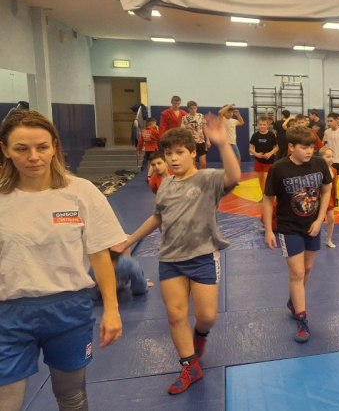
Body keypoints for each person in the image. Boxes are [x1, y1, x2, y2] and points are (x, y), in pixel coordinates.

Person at [0, 110, 126, 411]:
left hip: (69, 311)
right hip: (9, 314)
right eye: (21, 148)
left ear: (54, 146)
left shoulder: (80, 192)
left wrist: (112, 309)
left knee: (71, 397)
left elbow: (99, 255)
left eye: (42, 147)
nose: (33, 156)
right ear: (5, 150)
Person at [116, 114, 241, 394]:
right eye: (168, 153)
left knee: (207, 316)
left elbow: (233, 177)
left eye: (180, 152)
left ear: (193, 153)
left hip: (203, 256)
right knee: (175, 315)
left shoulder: (207, 179)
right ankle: (189, 367)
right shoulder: (165, 185)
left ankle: (201, 334)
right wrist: (130, 240)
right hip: (171, 259)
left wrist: (223, 144)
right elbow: (158, 217)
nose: (173, 159)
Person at [263, 126, 332, 344]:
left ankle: (293, 301)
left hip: (312, 225)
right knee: (297, 272)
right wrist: (268, 230)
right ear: (291, 147)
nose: (309, 151)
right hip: (289, 226)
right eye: (304, 147)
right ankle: (302, 319)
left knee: (308, 268)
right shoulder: (279, 168)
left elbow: (327, 190)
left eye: (312, 147)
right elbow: (267, 199)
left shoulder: (319, 164)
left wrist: (320, 219)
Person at [89, 246, 153, 300]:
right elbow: (90, 293)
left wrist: (141, 285)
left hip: (116, 277)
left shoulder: (130, 265)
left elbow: (139, 285)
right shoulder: (93, 269)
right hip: (101, 284)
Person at [249, 115, 278, 194]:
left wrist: (270, 153)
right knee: (261, 179)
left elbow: (276, 147)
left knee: (266, 178)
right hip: (259, 160)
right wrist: (256, 154)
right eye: (260, 124)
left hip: (269, 161)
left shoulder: (271, 135)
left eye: (264, 124)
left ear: (268, 125)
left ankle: (268, 194)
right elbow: (250, 148)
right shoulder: (255, 135)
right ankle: (263, 194)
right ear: (258, 124)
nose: (262, 126)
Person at [318, 147, 338, 248]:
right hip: (318, 198)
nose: (331, 159)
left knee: (331, 219)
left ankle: (329, 239)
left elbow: (334, 186)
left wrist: (335, 198)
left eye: (332, 156)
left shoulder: (334, 170)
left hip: (329, 198)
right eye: (328, 157)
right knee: (316, 219)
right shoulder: (317, 170)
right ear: (321, 158)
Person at [181, 101, 210, 169]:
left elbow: (205, 128)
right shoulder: (185, 118)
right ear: (188, 109)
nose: (193, 110)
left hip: (201, 141)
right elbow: (182, 130)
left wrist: (208, 140)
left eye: (194, 108)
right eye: (191, 108)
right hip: (190, 142)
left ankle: (202, 174)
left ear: (197, 108)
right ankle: (194, 175)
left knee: (203, 163)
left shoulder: (201, 116)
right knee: (193, 164)